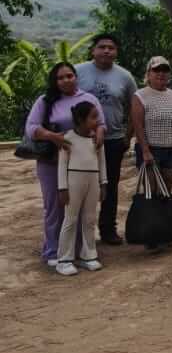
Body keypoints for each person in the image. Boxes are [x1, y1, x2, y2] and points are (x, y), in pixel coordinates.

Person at [24, 62, 104, 268]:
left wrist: (101, 133)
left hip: (83, 162)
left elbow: (100, 122)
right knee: (55, 207)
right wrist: (52, 136)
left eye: (69, 76)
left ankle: (80, 250)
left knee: (82, 208)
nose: (66, 80)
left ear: (76, 77)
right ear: (54, 80)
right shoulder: (45, 101)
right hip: (52, 161)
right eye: (60, 77)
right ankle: (53, 250)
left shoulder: (88, 98)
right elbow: (31, 127)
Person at [76, 34, 136, 244]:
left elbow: (135, 109)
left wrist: (128, 136)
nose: (106, 51)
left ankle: (108, 229)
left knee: (109, 187)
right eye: (102, 47)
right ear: (93, 50)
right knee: (82, 186)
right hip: (81, 141)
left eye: (111, 47)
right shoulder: (78, 71)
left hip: (113, 140)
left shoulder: (125, 77)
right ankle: (81, 232)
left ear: (116, 52)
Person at [55, 101, 108, 277]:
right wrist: (62, 188)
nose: (97, 120)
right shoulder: (67, 138)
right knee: (70, 219)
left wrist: (104, 182)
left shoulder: (97, 139)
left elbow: (102, 162)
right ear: (80, 119)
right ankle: (64, 259)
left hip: (93, 180)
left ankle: (89, 255)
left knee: (90, 218)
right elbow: (62, 165)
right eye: (93, 117)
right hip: (73, 181)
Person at [130, 57, 172, 191]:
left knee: (166, 190)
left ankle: (164, 213)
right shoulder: (140, 95)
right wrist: (145, 151)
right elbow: (138, 125)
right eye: (156, 70)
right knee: (151, 190)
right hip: (151, 149)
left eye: (165, 70)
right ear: (148, 74)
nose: (161, 73)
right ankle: (151, 213)